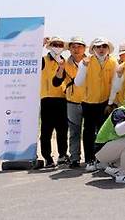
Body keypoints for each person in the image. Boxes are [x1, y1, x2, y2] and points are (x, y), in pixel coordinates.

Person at [75, 37, 118, 171]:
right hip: (88, 102)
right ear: (93, 49)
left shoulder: (113, 62)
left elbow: (115, 85)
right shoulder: (85, 62)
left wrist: (110, 103)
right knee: (88, 132)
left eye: (104, 46)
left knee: (103, 132)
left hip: (105, 102)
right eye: (98, 47)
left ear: (108, 49)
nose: (101, 49)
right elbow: (78, 82)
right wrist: (84, 68)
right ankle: (89, 160)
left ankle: (102, 159)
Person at [52, 36, 87, 168]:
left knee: (91, 131)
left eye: (79, 46)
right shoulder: (64, 63)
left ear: (84, 48)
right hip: (72, 101)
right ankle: (74, 158)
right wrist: (61, 68)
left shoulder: (91, 62)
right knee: (74, 131)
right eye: (73, 46)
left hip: (90, 101)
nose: (76, 49)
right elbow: (56, 82)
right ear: (69, 49)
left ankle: (93, 157)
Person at [39, 36, 69, 167]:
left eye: (60, 44)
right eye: (55, 44)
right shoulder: (43, 60)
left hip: (62, 99)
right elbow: (30, 60)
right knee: (46, 131)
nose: (57, 46)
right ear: (49, 46)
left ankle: (62, 155)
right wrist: (39, 44)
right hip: (47, 99)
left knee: (62, 130)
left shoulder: (65, 61)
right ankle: (48, 158)